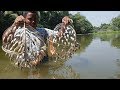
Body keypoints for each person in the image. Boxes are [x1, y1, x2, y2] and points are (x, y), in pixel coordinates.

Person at [2, 11, 73, 66]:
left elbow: (59, 35)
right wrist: (15, 24)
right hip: (26, 63)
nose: (33, 21)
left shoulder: (43, 31)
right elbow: (5, 39)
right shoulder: (18, 32)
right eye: (30, 19)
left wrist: (64, 24)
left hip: (42, 62)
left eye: (35, 19)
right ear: (24, 19)